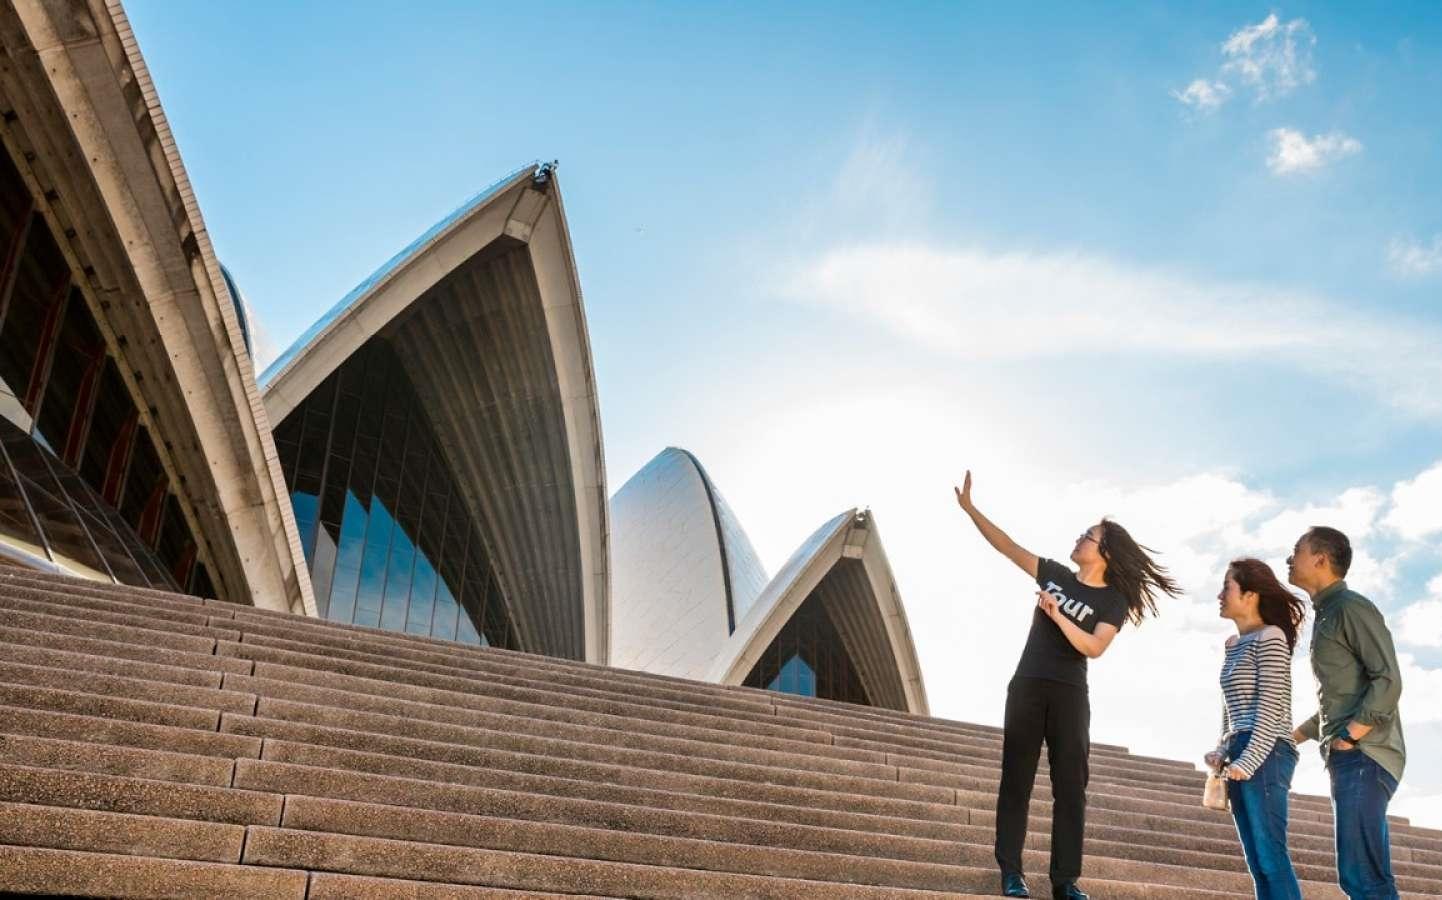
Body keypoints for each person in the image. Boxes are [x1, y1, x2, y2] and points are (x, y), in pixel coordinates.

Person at [954, 471, 1181, 900]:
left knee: (1071, 788)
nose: (1079, 540)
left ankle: (1065, 881)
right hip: (1027, 685)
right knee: (1016, 781)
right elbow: (1008, 547)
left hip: (1069, 693)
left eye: (1088, 536)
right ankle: (1012, 873)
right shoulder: (1054, 573)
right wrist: (971, 510)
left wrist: (1058, 615)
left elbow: (1094, 647)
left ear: (1106, 552)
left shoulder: (1114, 599)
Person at [1286, 526, 1405, 900]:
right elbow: (1336, 699)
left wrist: (1351, 736)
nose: (1290, 558)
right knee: (1361, 875)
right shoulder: (1325, 613)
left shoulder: (1350, 607)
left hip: (1365, 755)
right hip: (1351, 756)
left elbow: (1388, 678)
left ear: (1320, 559)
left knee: (1364, 878)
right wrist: (1293, 736)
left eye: (1297, 550)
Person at [1205, 558, 1306, 900]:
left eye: (1227, 587)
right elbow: (1230, 707)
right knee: (1256, 861)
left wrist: (1247, 762)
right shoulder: (1233, 644)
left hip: (1268, 750)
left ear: (1250, 594)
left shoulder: (1271, 637)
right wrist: (1222, 749)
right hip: (1240, 747)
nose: (1220, 594)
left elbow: (1271, 706)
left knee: (1270, 855)